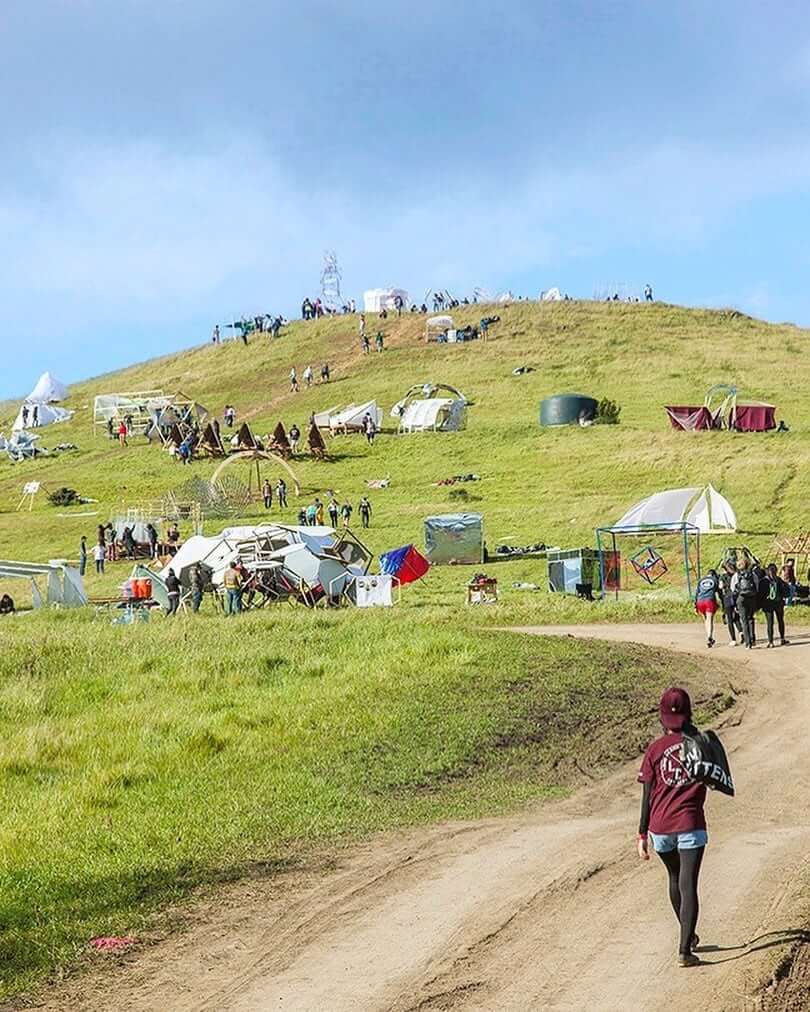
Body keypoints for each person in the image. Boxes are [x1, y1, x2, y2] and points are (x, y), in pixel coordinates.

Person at [637, 687, 708, 968]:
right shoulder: (700, 743)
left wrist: (642, 834)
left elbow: (647, 795)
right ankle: (684, 949)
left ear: (662, 716)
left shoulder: (654, 750)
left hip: (661, 828)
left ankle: (687, 934)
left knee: (674, 877)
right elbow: (716, 778)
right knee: (688, 884)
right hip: (690, 823)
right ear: (688, 713)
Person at [731, 557, 758, 649]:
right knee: (750, 618)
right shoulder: (752, 574)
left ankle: (748, 643)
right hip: (751, 598)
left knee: (744, 620)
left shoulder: (736, 575)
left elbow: (733, 588)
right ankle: (752, 638)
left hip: (741, 598)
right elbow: (756, 585)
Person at [762, 563, 790, 647]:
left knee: (770, 623)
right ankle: (782, 639)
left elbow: (761, 594)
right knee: (780, 621)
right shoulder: (779, 580)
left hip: (768, 604)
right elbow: (785, 591)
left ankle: (771, 642)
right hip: (778, 603)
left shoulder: (764, 581)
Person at [694, 569, 721, 648]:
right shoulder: (715, 580)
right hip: (709, 600)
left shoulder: (701, 580)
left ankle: (708, 636)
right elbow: (718, 591)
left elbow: (697, 593)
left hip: (700, 601)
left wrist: (695, 605)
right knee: (709, 619)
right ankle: (709, 636)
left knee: (705, 620)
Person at [718, 563, 738, 646]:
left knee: (729, 619)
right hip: (736, 597)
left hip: (727, 598)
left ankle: (733, 639)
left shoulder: (723, 577)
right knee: (737, 617)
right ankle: (741, 632)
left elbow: (720, 586)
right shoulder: (736, 575)